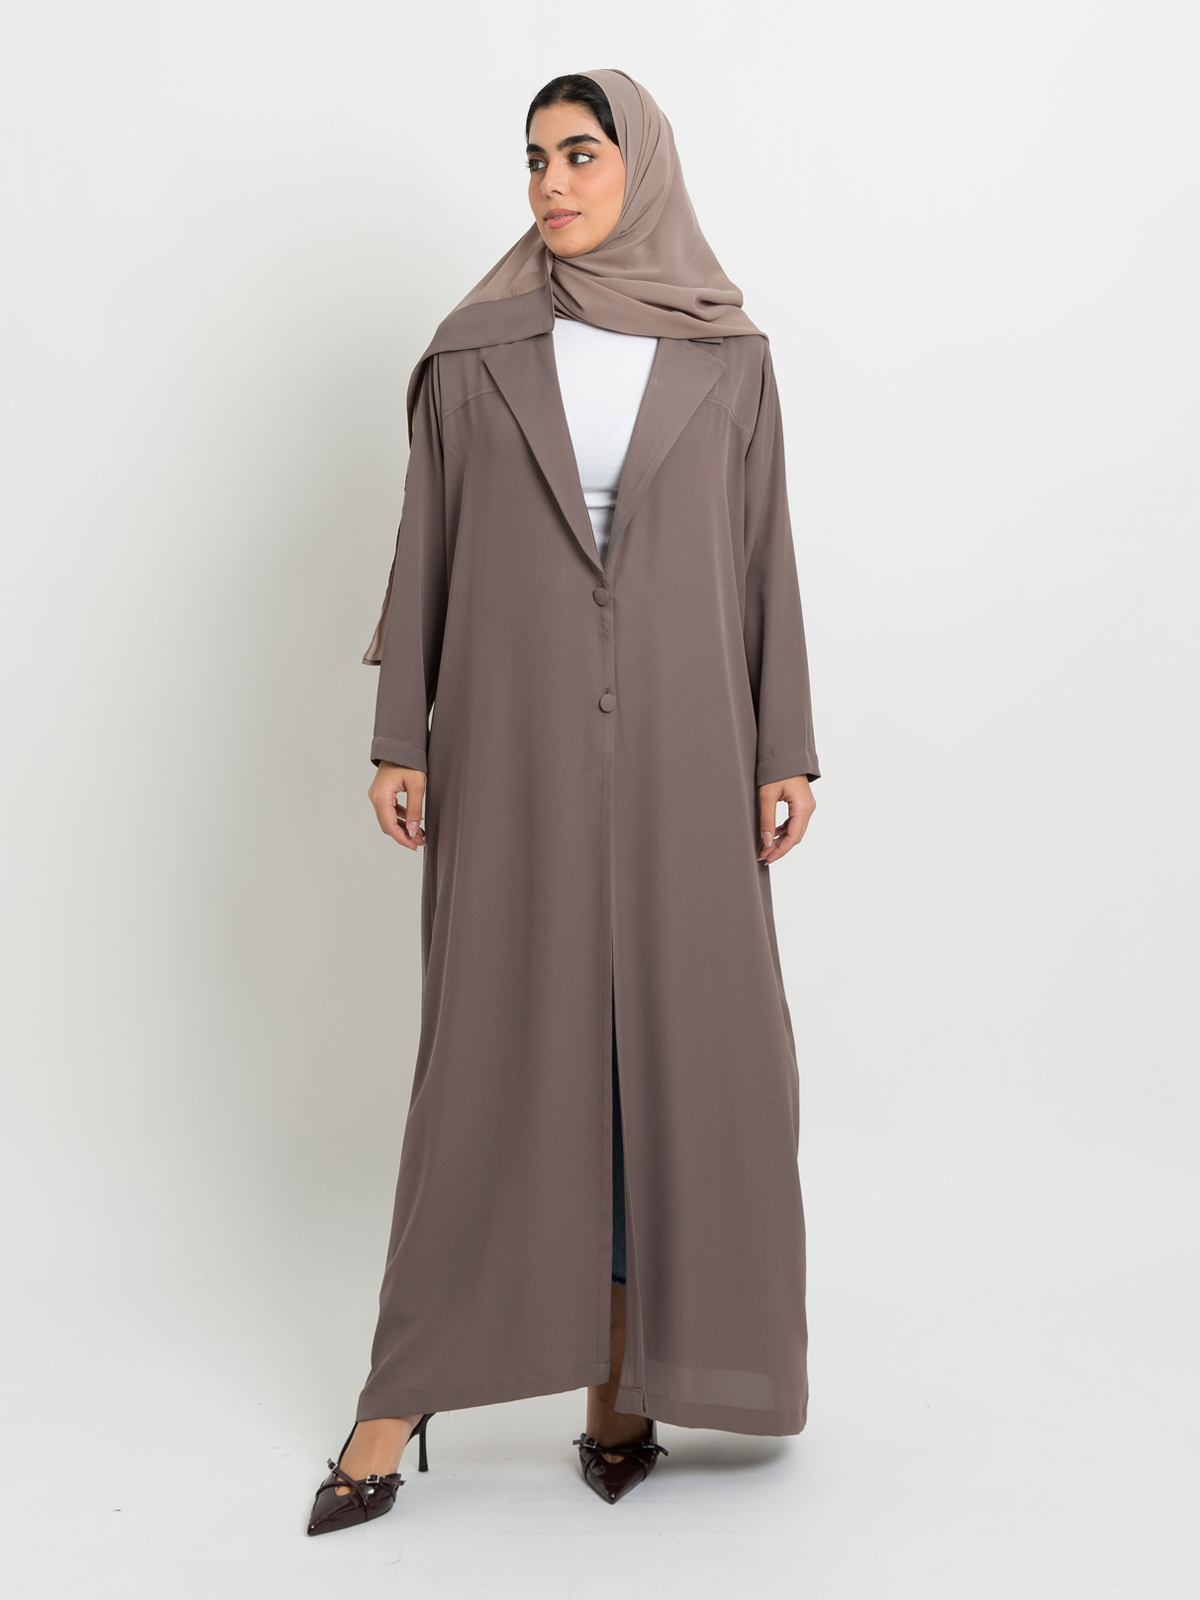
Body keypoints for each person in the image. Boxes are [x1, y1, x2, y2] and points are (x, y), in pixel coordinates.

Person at [307, 68, 819, 1534]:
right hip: (511, 727)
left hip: (690, 733)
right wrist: (400, 734)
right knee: (495, 1041)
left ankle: (625, 1379)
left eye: (580, 154)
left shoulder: (728, 352)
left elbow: (763, 551)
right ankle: (403, 1393)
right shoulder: (476, 349)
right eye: (534, 158)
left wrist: (784, 746)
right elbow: (428, 541)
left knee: (682, 1046)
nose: (551, 182)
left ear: (638, 164)